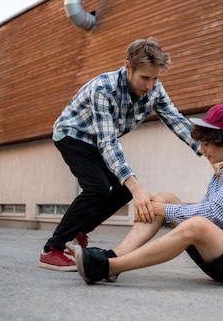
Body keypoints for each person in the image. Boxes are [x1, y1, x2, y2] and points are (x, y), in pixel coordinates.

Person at [39, 37, 201, 271]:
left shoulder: (155, 89)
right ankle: (51, 249)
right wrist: (138, 188)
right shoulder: (103, 88)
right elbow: (108, 142)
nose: (150, 85)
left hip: (97, 140)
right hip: (73, 134)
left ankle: (78, 231)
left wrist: (206, 152)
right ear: (128, 67)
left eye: (155, 78)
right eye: (145, 78)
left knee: (123, 189)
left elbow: (176, 121)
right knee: (97, 188)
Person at [71, 103, 223, 286]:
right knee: (164, 197)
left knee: (193, 221)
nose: (202, 150)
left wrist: (165, 212)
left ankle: (107, 267)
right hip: (221, 252)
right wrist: (163, 208)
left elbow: (213, 215)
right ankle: (113, 256)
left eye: (206, 143)